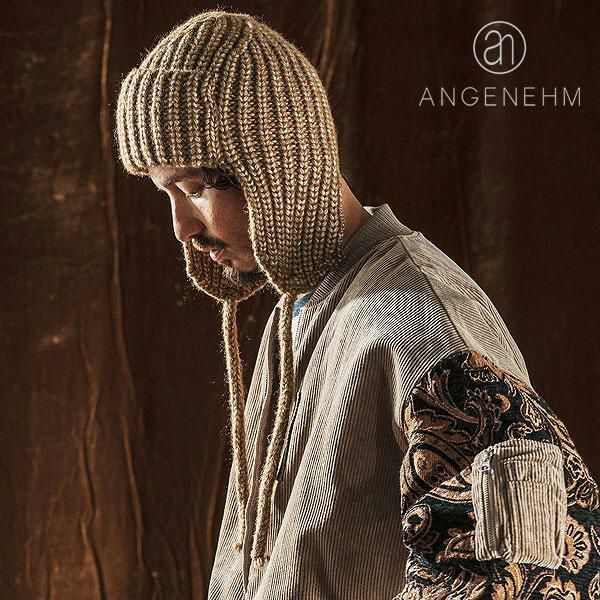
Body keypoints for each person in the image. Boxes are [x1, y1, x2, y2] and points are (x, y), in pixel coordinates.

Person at [114, 9, 600, 599]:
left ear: (275, 164)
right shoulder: (297, 313)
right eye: (166, 193)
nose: (181, 228)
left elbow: (530, 576)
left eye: (194, 188)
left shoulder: (420, 322)